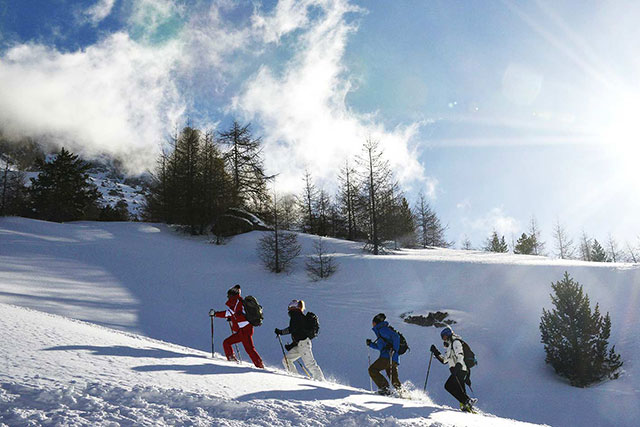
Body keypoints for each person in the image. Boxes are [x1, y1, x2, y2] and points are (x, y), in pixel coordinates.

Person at [209, 284, 264, 368]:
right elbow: (238, 314)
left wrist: (215, 314)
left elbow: (228, 313)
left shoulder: (237, 302)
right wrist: (232, 319)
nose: (228, 297)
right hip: (242, 330)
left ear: (232, 295)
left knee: (249, 349)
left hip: (245, 330)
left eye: (229, 295)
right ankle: (232, 359)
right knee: (227, 342)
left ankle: (259, 365)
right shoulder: (239, 302)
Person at [275, 300, 325, 380]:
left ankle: (321, 381)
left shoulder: (296, 316)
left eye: (290, 306)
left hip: (303, 344)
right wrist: (291, 345)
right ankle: (295, 377)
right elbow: (298, 332)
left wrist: (281, 332)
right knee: (286, 360)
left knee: (309, 364)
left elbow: (292, 329)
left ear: (294, 307)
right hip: (300, 344)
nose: (289, 308)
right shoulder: (298, 316)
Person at [430, 326, 477, 412]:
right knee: (460, 389)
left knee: (448, 386)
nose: (443, 339)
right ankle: (466, 406)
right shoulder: (449, 346)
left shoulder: (456, 342)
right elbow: (444, 360)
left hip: (460, 369)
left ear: (448, 334)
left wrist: (458, 365)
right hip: (456, 370)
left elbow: (460, 354)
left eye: (444, 336)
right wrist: (436, 352)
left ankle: (467, 401)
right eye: (442, 337)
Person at [366, 313, 402, 396]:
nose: (372, 323)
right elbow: (381, 347)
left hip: (387, 357)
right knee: (394, 380)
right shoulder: (381, 331)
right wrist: (371, 344)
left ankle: (385, 389)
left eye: (373, 322)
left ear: (376, 322)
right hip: (393, 358)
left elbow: (396, 337)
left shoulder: (382, 330)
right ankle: (403, 394)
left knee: (372, 369)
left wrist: (394, 350)